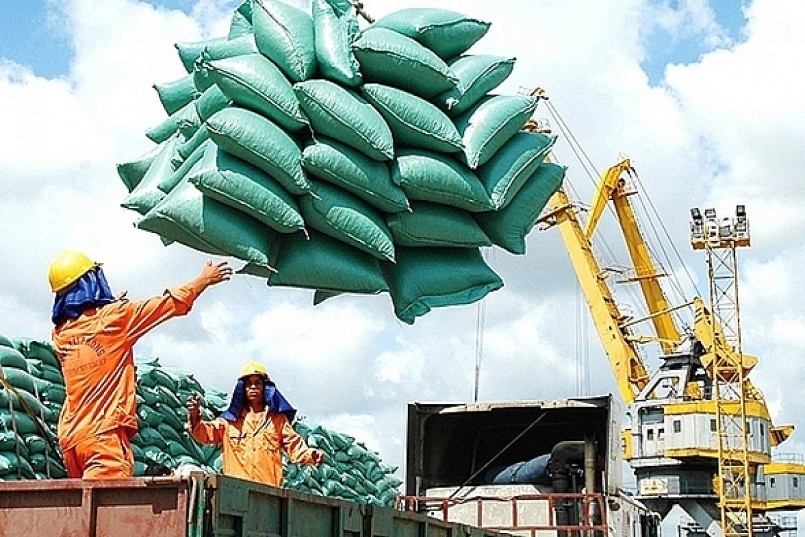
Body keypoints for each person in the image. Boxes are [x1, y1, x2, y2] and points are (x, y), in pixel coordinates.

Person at [49, 249, 233, 479]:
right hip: (104, 437)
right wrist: (203, 280)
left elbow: (92, 340)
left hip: (71, 440)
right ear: (92, 281)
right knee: (108, 511)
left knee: (86, 509)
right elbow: (165, 305)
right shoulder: (116, 318)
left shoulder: (60, 335)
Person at [186, 360, 324, 487]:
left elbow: (294, 445)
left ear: (265, 388)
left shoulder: (277, 421)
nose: (253, 387)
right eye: (249, 384)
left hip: (267, 494)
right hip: (236, 492)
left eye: (257, 383)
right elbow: (206, 433)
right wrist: (194, 416)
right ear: (242, 389)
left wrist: (310, 454)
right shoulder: (230, 422)